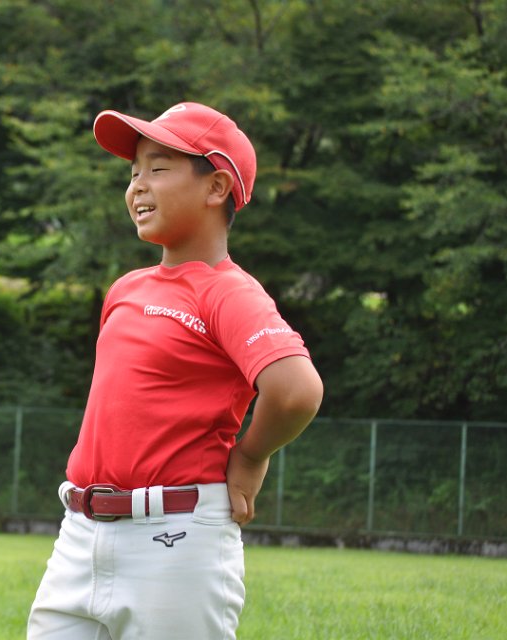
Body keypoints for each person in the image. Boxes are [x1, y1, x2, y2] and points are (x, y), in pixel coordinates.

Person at [27, 102, 324, 640]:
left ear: (216, 187)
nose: (138, 185)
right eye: (133, 172)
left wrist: (250, 455)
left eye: (158, 168)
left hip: (175, 539)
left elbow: (295, 391)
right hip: (79, 532)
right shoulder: (126, 289)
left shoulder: (227, 291)